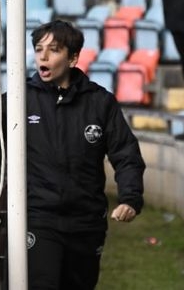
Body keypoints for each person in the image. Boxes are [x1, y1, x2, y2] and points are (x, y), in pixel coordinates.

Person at [19, 20, 145, 289]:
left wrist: (130, 198)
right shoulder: (20, 99)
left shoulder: (100, 102)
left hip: (87, 223)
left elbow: (126, 154)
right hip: (39, 219)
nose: (43, 56)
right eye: (38, 49)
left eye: (53, 50)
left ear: (73, 57)